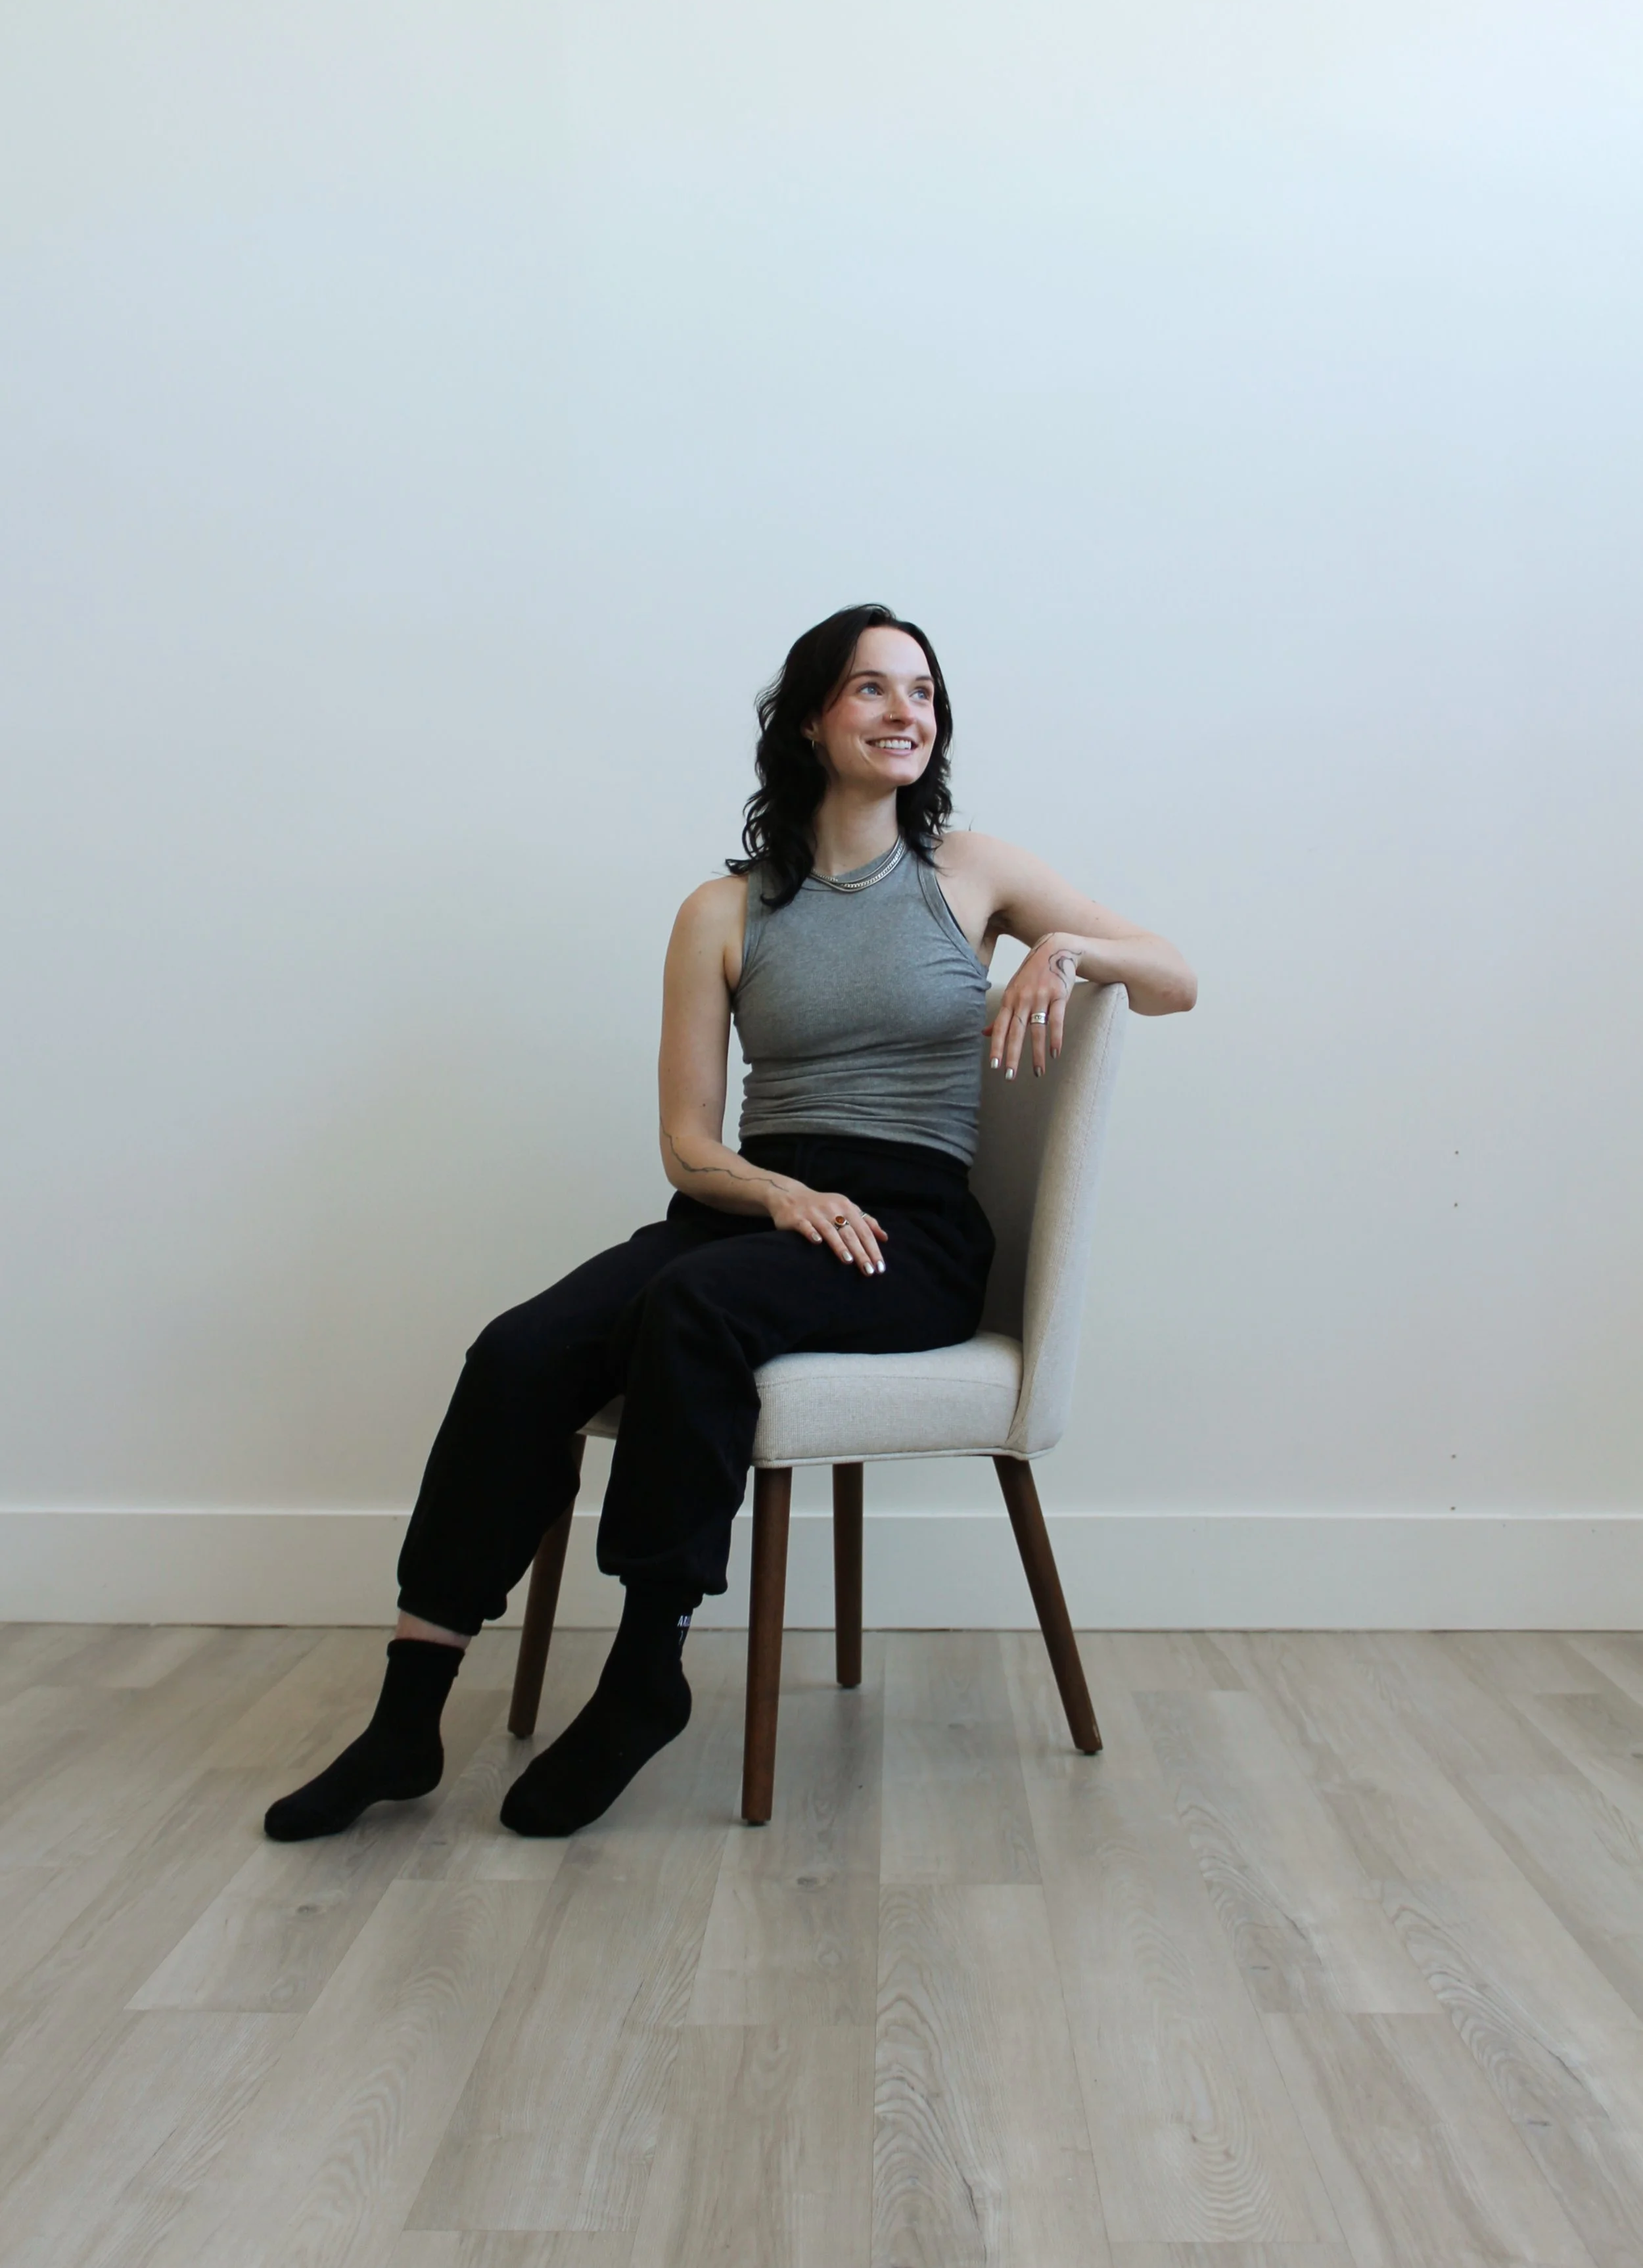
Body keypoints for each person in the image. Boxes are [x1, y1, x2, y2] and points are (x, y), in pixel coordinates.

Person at [264, 603, 1195, 1842]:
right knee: (519, 1351)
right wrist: (779, 1194)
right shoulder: (722, 910)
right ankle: (406, 1717)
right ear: (810, 719)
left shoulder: (972, 873)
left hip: (906, 1235)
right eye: (872, 688)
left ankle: (646, 1672)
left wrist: (1065, 948)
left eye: (922, 691)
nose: (906, 712)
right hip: (754, 1210)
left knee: (694, 1311)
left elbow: (1177, 979)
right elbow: (689, 1145)